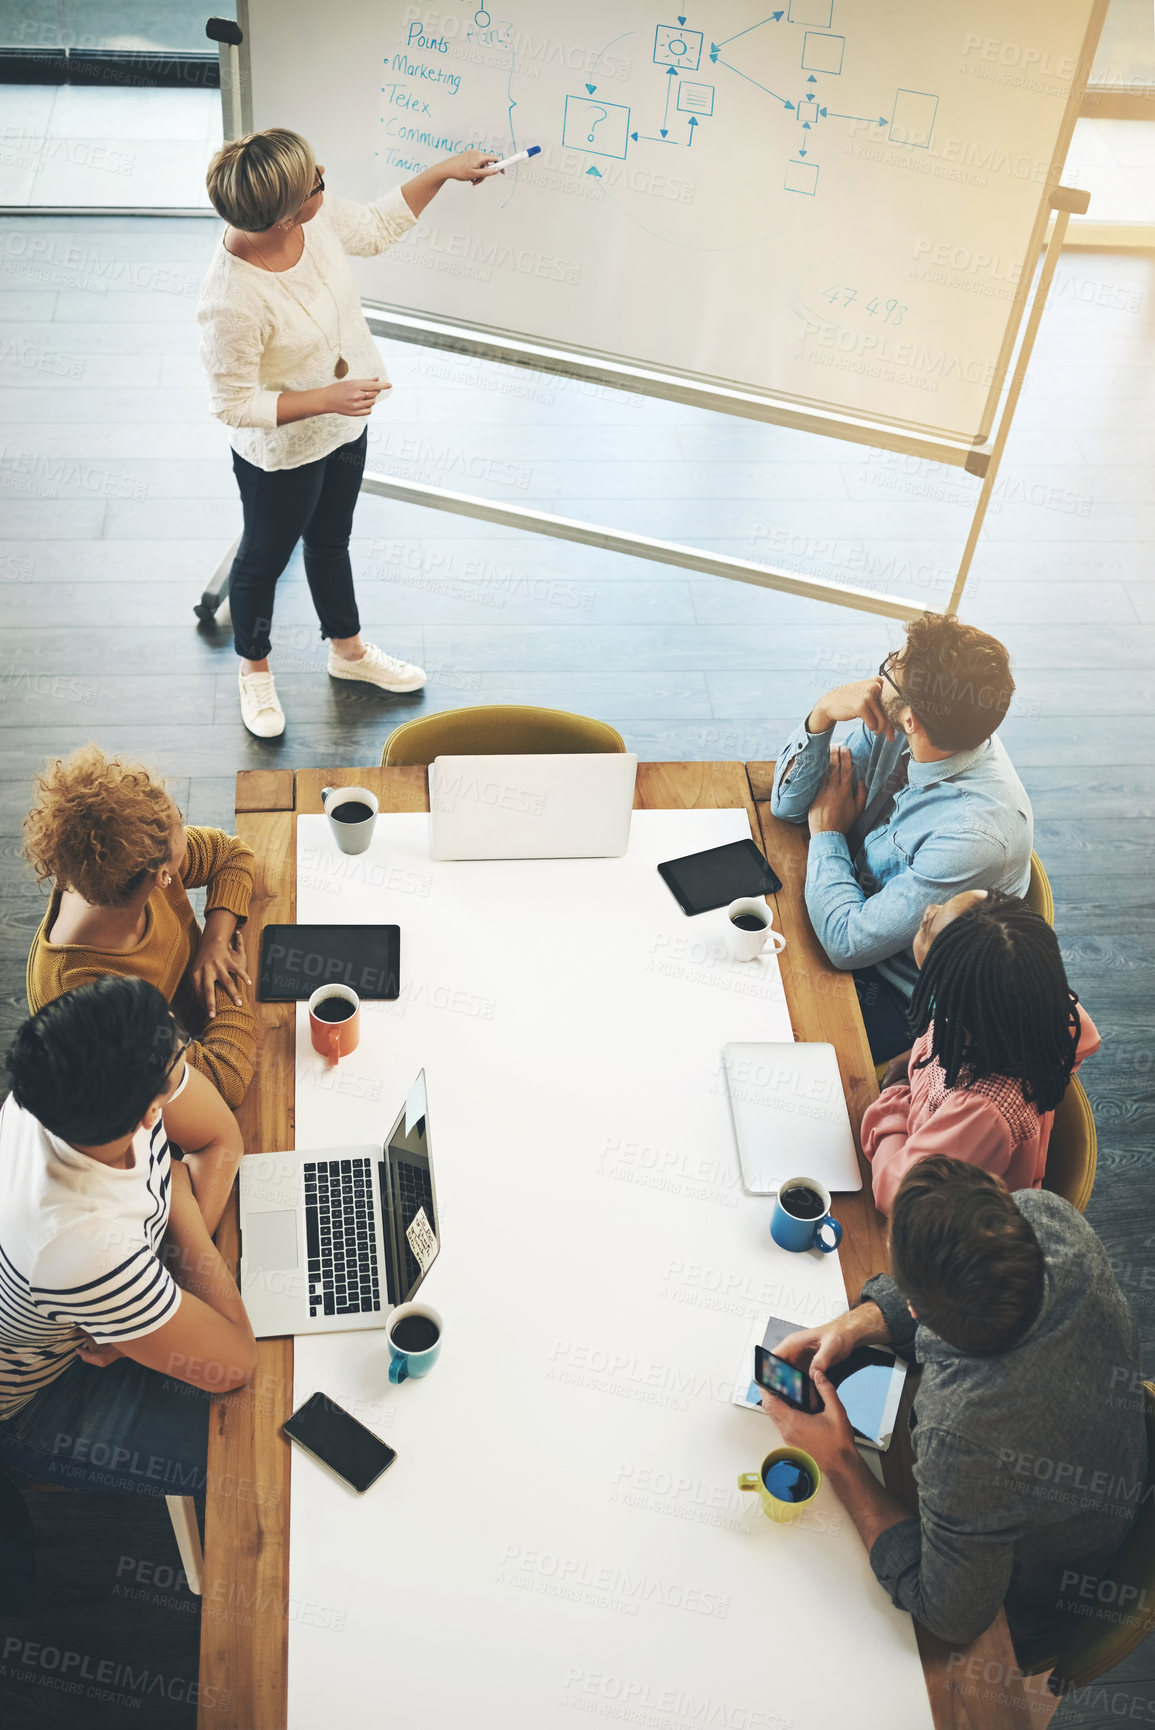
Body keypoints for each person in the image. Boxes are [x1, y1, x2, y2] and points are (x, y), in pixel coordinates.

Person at [763, 1157, 1145, 1653]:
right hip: (1110, 1468)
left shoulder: (962, 1436)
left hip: (1046, 1589)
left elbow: (953, 1616)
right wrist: (858, 1323)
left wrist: (839, 1461)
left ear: (919, 1310)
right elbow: (977, 1268)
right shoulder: (1049, 1217)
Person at [198, 127, 499, 737]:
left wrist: (442, 172)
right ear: (284, 215)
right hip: (280, 453)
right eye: (316, 179)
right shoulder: (230, 300)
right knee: (263, 558)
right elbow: (232, 404)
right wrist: (324, 398)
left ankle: (349, 651)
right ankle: (254, 671)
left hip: (345, 421)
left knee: (332, 539)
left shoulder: (315, 215)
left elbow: (378, 227)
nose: (324, 176)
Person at [0, 978, 256, 1509]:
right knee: (263, 1457)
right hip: (43, 1397)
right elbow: (236, 1361)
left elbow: (220, 1137)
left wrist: (139, 1306)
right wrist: (181, 1210)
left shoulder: (82, 1072)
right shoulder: (77, 1245)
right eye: (176, 1066)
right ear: (147, 1115)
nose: (180, 1052)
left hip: (89, 1305)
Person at [770, 613, 1033, 1063]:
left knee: (758, 1036)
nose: (881, 671)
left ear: (911, 719)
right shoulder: (914, 730)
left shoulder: (975, 834)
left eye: (892, 666)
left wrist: (828, 835)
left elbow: (847, 943)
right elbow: (790, 805)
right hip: (844, 906)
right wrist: (822, 714)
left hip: (892, 992)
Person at [24, 746, 256, 1110]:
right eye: (178, 818)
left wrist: (214, 942)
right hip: (156, 1083)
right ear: (162, 874)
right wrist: (228, 977)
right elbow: (225, 1081)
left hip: (192, 1023)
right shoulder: (91, 1005)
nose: (180, 821)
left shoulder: (111, 866)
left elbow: (231, 854)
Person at [862, 890, 1100, 1214]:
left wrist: (893, 1101)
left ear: (948, 983)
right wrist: (915, 1058)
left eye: (934, 925)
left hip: (939, 1220)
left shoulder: (984, 1115)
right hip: (932, 1148)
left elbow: (898, 1195)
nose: (930, 910)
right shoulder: (1001, 1010)